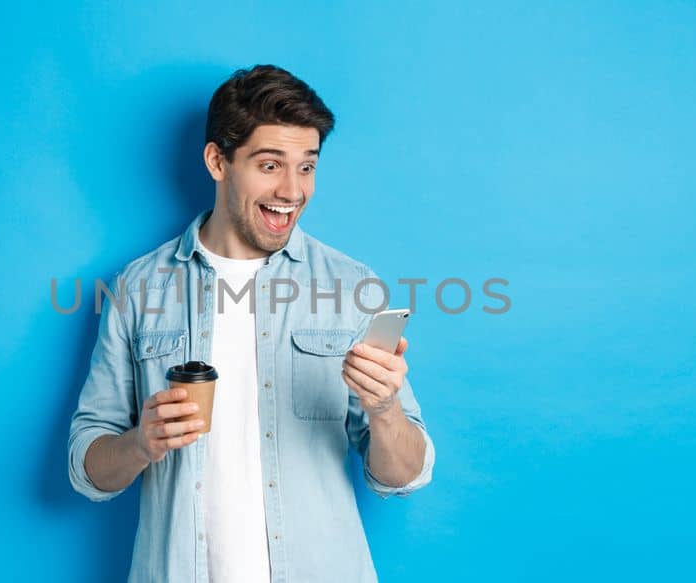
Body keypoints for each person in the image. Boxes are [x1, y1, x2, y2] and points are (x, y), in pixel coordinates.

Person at [67, 64, 435, 583]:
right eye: (269, 165)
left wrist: (385, 409)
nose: (292, 190)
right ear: (218, 161)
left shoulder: (353, 288)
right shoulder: (137, 288)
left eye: (307, 167)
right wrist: (139, 444)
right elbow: (88, 469)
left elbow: (406, 476)